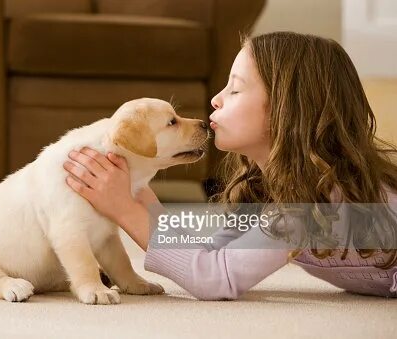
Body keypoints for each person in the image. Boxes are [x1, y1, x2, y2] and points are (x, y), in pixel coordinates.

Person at [63, 31, 397, 300]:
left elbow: (214, 277)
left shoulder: (311, 203)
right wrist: (143, 199)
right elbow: (211, 253)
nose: (215, 99)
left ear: (285, 112)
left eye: (235, 89)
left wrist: (124, 210)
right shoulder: (269, 187)